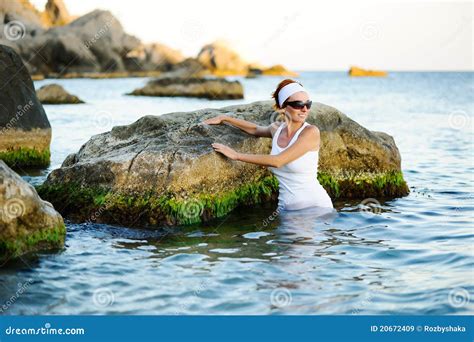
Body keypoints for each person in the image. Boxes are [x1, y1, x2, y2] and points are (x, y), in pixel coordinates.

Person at [202, 79, 333, 211]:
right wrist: (226, 118)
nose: (305, 109)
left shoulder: (310, 132)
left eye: (308, 104)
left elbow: (278, 161)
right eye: (298, 104)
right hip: (286, 209)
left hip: (316, 208)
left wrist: (236, 155)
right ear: (283, 107)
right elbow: (255, 130)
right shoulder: (276, 129)